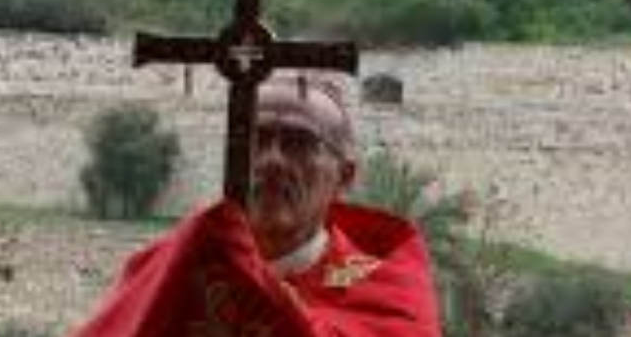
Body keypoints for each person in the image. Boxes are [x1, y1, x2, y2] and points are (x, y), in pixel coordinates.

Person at [69, 75, 441, 337]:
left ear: (344, 177)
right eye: (256, 140)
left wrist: (247, 282)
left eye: (298, 143)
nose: (271, 161)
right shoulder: (171, 267)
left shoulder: (386, 288)